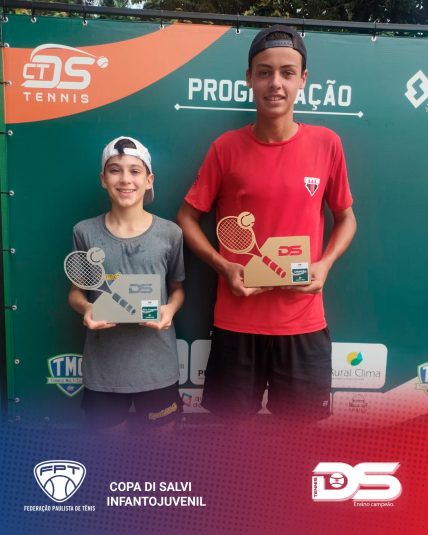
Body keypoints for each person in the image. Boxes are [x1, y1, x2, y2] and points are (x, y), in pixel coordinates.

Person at [176, 25, 357, 423]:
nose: (275, 83)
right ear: (249, 78)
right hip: (237, 322)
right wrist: (223, 265)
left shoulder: (327, 144)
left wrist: (325, 265)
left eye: (287, 72)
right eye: (264, 72)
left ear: (302, 80)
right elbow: (187, 218)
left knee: (298, 438)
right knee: (232, 438)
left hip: (303, 322)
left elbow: (346, 218)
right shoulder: (225, 148)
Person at [68, 136, 185, 432]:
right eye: (115, 170)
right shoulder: (84, 232)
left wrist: (170, 310)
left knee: (163, 452)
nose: (125, 180)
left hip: (157, 368)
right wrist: (87, 309)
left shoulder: (170, 233)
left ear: (149, 180)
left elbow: (177, 288)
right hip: (104, 371)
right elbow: (76, 293)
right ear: (103, 179)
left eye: (135, 171)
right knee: (108, 454)